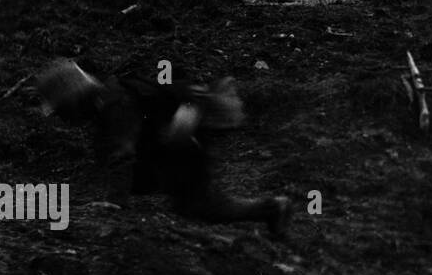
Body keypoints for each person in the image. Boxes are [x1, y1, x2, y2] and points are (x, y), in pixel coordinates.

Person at [35, 59, 292, 237]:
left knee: (201, 205)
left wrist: (113, 204)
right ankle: (270, 208)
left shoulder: (116, 106)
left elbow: (122, 154)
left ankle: (272, 208)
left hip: (183, 149)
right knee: (193, 203)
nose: (64, 119)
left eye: (62, 111)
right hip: (172, 148)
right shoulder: (108, 99)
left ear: (74, 100)